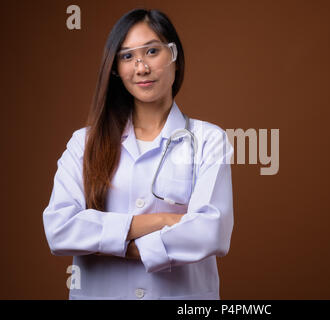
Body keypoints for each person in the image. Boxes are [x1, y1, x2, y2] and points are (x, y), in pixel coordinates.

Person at [42, 8, 234, 300]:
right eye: (127, 56)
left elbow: (211, 232)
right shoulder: (84, 143)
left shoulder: (209, 139)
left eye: (152, 51)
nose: (141, 68)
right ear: (116, 70)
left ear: (175, 58)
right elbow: (59, 229)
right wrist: (163, 221)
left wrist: (113, 242)